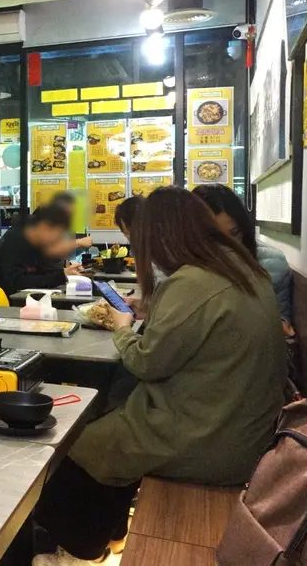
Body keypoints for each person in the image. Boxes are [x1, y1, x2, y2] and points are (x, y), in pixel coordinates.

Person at [32, 188, 287, 566]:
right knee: (112, 422)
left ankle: (73, 548)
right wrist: (151, 311)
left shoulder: (194, 280)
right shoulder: (238, 267)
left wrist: (122, 326)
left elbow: (146, 362)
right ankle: (104, 538)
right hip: (238, 426)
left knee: (80, 440)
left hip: (210, 438)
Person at [192, 184, 293, 332]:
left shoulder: (270, 264)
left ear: (245, 228)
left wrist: (280, 324)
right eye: (216, 238)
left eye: (235, 233)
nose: (229, 246)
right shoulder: (184, 268)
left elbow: (280, 316)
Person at [0, 204, 81, 294]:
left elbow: (44, 269)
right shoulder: (16, 239)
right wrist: (62, 275)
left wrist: (66, 271)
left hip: (20, 299)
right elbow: (18, 282)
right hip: (0, 302)